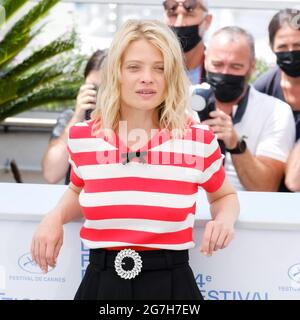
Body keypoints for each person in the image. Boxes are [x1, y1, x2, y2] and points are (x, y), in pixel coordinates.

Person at [31, 19, 239, 300]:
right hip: (100, 283)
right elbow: (78, 189)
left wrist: (224, 220)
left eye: (160, 68)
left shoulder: (197, 140)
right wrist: (53, 218)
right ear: (116, 72)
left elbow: (224, 196)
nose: (147, 78)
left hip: (172, 287)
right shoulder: (83, 136)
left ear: (172, 76)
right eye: (134, 67)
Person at [195, 26, 295, 191]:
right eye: (217, 64)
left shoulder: (276, 111)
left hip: (249, 209)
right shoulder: (181, 102)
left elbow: (266, 186)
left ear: (252, 66)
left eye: (236, 67)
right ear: (205, 60)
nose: (224, 73)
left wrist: (236, 144)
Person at [42, 50, 107, 184]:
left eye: (104, 88)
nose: (98, 95)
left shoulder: (133, 119)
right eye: (93, 88)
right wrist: (77, 117)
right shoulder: (71, 118)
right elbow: (51, 174)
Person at [254, 8, 300, 192]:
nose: (290, 53)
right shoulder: (263, 89)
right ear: (271, 46)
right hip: (272, 192)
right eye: (282, 47)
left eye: (297, 46)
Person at [163, 0, 212, 84]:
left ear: (207, 21)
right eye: (173, 15)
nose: (179, 24)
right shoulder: (153, 68)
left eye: (189, 15)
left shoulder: (219, 69)